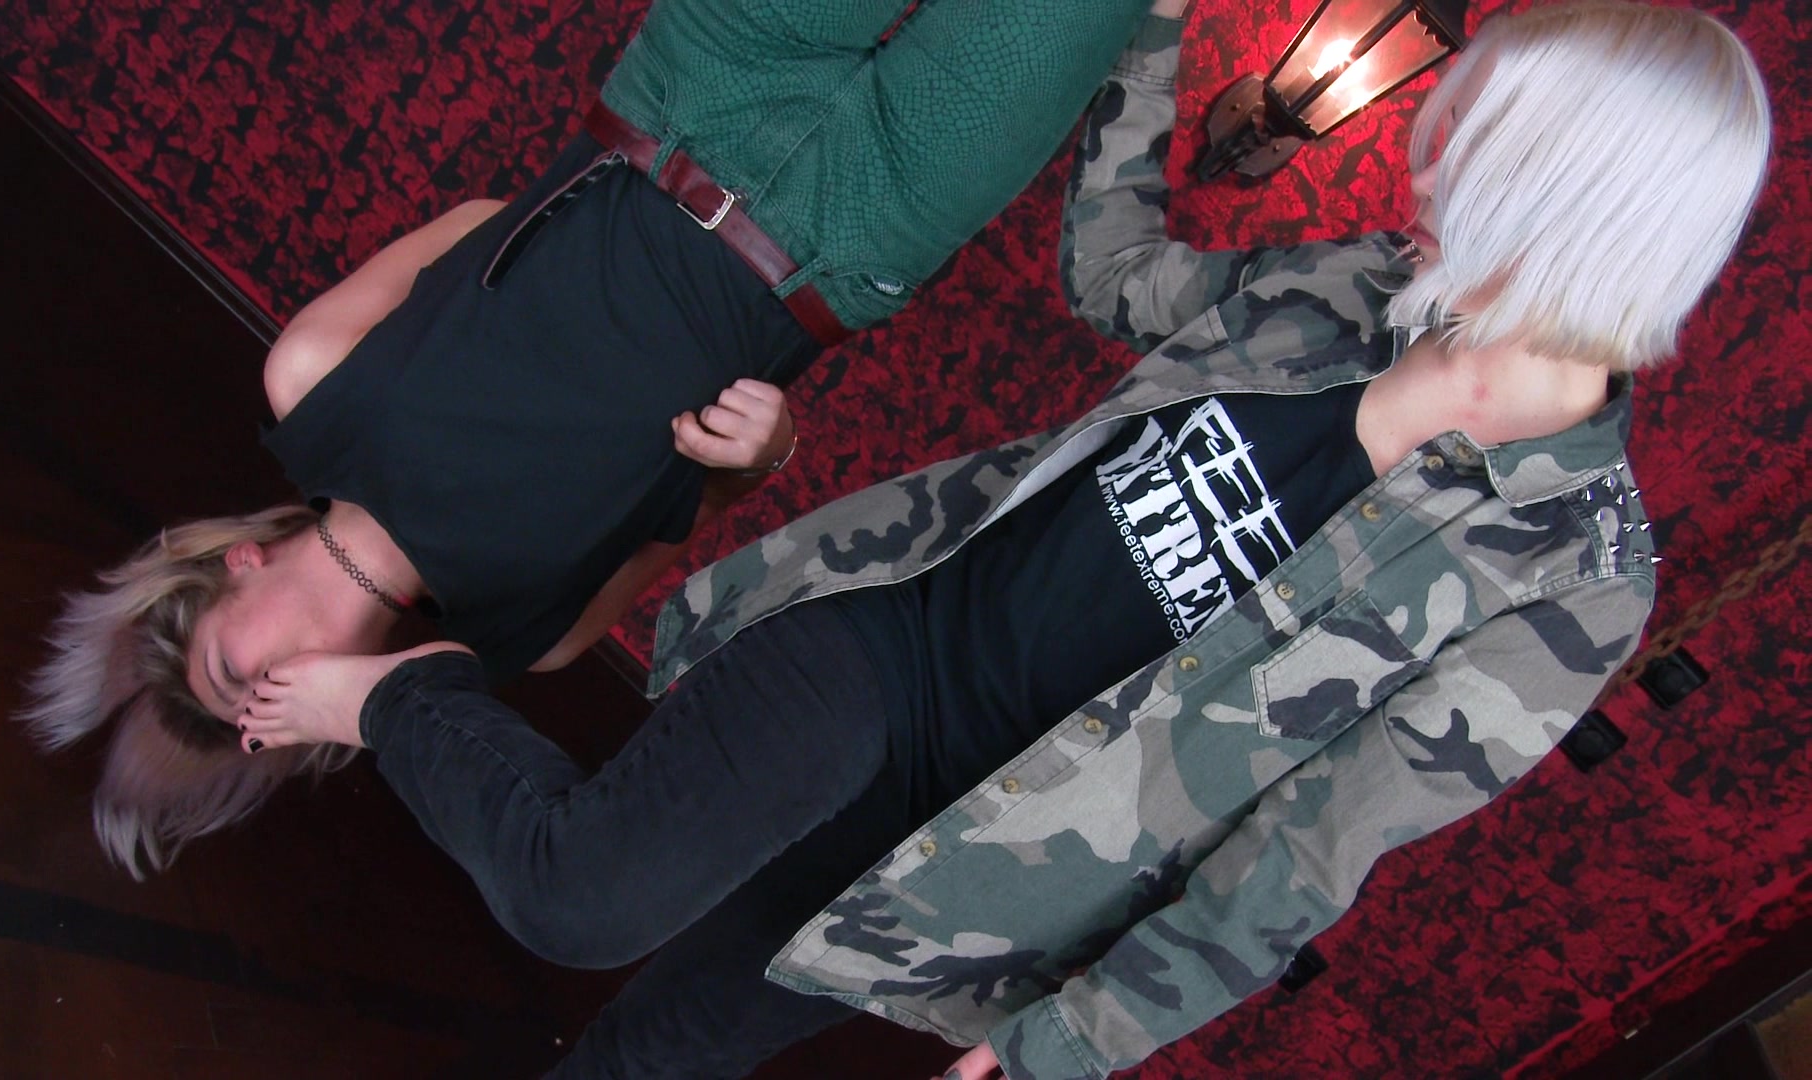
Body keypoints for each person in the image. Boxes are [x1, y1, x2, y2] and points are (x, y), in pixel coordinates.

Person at [216, 1, 1772, 1077]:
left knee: (672, 1048)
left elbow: (1314, 848)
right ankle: (396, 690)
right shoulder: (1364, 287)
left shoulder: (1574, 574)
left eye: (1482, 127)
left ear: (1571, 189)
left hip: (985, 858)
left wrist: (1068, 1049)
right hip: (897, 639)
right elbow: (1117, 273)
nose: (1437, 136)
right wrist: (1151, 36)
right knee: (583, 897)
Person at [16, 0, 1164, 878]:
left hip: (703, 80)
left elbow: (482, 225)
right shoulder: (534, 634)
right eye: (260, 722)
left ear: (236, 565)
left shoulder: (310, 380)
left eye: (233, 672)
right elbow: (706, 497)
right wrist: (763, 453)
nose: (271, 691)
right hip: (854, 233)